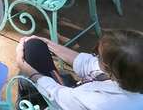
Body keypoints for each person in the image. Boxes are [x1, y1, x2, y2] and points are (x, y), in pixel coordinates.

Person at [15, 31, 143, 110]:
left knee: (25, 79)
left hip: (65, 101)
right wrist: (48, 44)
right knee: (34, 46)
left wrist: (28, 70)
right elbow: (88, 63)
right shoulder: (131, 74)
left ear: (110, 69)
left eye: (97, 53)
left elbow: (56, 94)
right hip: (75, 95)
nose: (94, 56)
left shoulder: (98, 102)